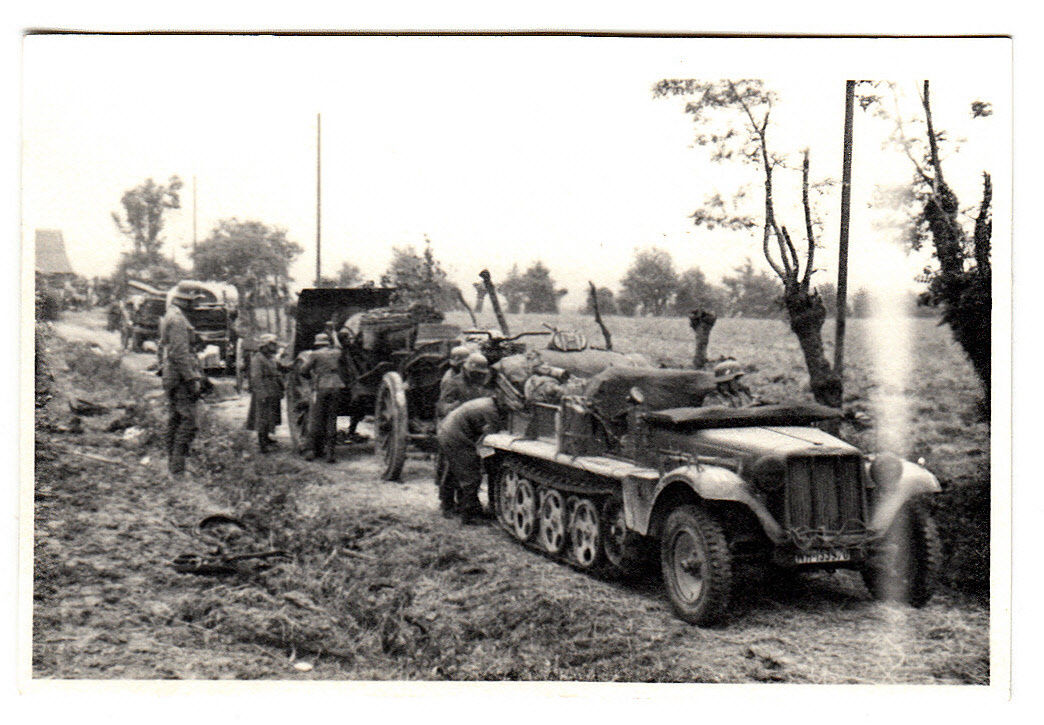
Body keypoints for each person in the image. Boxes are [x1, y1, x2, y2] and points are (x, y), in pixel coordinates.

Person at [435, 352, 495, 516]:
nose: (479, 377)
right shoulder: (453, 383)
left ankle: (465, 504)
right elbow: (442, 408)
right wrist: (461, 407)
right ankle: (447, 504)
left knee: (468, 468)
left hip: (470, 429)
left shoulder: (480, 385)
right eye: (476, 373)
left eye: (481, 374)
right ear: (466, 370)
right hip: (452, 428)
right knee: (450, 469)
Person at [436, 395, 505, 526]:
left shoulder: (487, 402)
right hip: (456, 437)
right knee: (471, 477)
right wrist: (489, 460)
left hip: (447, 430)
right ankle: (470, 515)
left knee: (452, 471)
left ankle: (447, 505)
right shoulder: (491, 411)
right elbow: (491, 438)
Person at [159, 288, 202, 477]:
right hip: (180, 377)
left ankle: (174, 464)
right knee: (188, 421)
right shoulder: (177, 320)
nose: (195, 305)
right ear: (185, 301)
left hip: (174, 375)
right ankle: (177, 468)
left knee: (175, 419)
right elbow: (179, 353)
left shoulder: (173, 316)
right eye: (193, 301)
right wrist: (191, 378)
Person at [299, 332, 344, 463]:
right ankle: (330, 453)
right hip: (336, 386)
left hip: (321, 387)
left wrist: (311, 379)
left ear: (317, 344)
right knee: (332, 420)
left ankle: (311, 451)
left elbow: (303, 371)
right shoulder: (336, 353)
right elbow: (339, 348)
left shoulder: (315, 354)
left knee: (315, 418)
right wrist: (334, 335)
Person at [246, 334, 283, 453]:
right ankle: (262, 444)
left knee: (270, 416)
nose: (274, 347)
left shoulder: (271, 358)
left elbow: (278, 371)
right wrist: (262, 393)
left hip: (272, 389)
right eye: (272, 344)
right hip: (264, 390)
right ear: (264, 346)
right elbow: (256, 377)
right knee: (262, 417)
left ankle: (266, 438)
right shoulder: (258, 358)